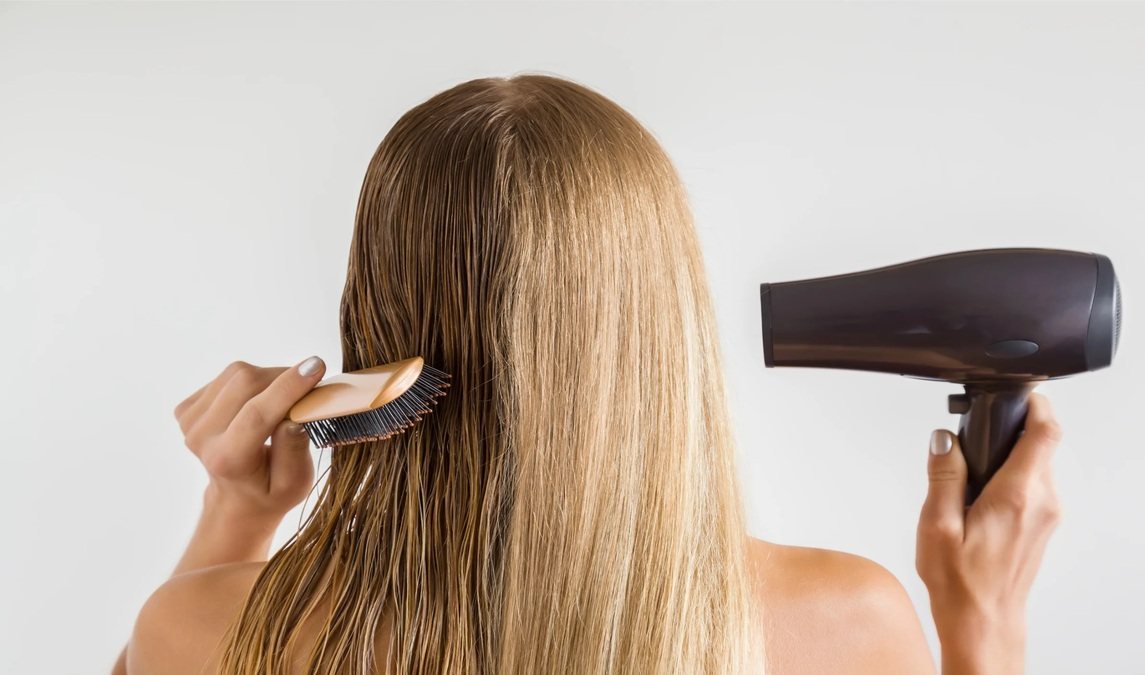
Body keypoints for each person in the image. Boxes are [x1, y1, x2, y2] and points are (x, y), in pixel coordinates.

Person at [112, 74, 1062, 675]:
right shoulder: (842, 625)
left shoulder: (202, 631)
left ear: (373, 311)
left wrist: (237, 509)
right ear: (663, 329)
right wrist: (983, 628)